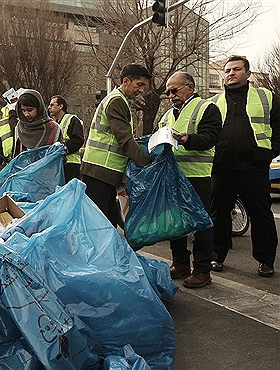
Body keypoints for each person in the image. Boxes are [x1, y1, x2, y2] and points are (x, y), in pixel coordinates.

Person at [210, 55, 279, 277]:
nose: (231, 73)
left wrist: (269, 152)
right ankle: (217, 256)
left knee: (261, 214)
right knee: (219, 214)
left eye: (237, 69)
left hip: (254, 167)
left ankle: (266, 260)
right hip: (222, 168)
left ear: (248, 73)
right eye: (228, 70)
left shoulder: (266, 97)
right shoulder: (213, 102)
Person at [157, 71, 222, 288]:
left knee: (201, 224)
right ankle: (180, 263)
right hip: (174, 176)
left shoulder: (206, 108)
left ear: (190, 88)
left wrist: (188, 139)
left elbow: (211, 138)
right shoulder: (166, 115)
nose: (171, 95)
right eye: (168, 92)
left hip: (198, 176)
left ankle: (203, 270)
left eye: (175, 90)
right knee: (176, 223)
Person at [80, 64, 152, 228]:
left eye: (144, 86)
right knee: (100, 225)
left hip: (103, 171)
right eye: (139, 85)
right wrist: (148, 163)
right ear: (126, 81)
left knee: (108, 222)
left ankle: (109, 253)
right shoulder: (117, 101)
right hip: (101, 170)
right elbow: (125, 140)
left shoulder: (121, 100)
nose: (141, 90)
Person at [13, 89, 62, 157]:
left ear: (39, 108)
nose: (26, 114)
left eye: (30, 110)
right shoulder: (20, 127)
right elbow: (16, 153)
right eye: (23, 110)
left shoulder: (52, 128)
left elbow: (60, 154)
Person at [48, 95, 84, 182]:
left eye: (52, 105)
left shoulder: (72, 119)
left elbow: (78, 140)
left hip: (71, 164)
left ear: (60, 106)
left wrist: (62, 149)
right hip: (59, 164)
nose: (49, 107)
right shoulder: (54, 124)